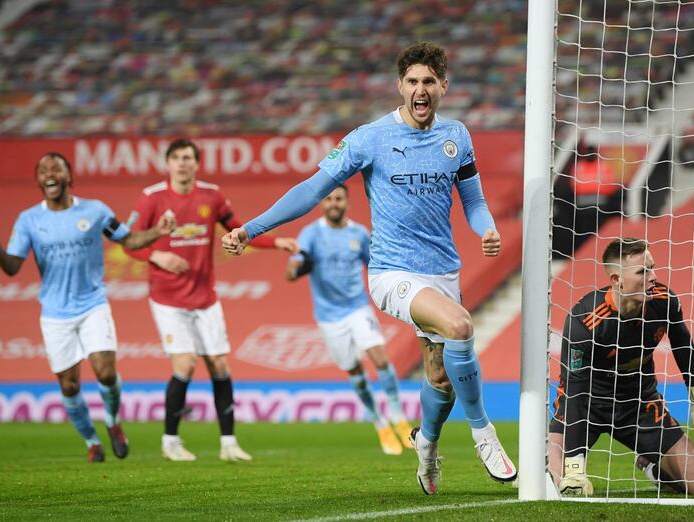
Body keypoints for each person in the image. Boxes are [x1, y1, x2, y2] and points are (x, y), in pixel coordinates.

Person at [222, 42, 517, 494]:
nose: (421, 90)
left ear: (443, 86)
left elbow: (473, 200)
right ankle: (484, 434)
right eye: (413, 82)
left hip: (442, 271)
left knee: (440, 377)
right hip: (391, 272)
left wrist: (487, 229)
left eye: (429, 82)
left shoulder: (457, 135)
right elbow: (312, 189)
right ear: (400, 86)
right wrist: (252, 228)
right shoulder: (369, 138)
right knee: (460, 326)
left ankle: (427, 445)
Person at [0, 152, 176, 462]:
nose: (49, 173)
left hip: (92, 304)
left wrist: (158, 232)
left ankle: (112, 423)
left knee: (106, 372)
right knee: (69, 386)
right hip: (56, 314)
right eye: (43, 170)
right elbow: (12, 267)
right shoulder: (29, 219)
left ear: (69, 177)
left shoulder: (95, 211)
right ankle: (91, 442)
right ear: (39, 182)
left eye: (55, 167)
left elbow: (129, 240)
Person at [126, 138, 298, 462]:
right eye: (176, 158)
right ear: (167, 164)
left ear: (196, 163)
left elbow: (237, 230)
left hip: (205, 297)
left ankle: (229, 443)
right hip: (168, 299)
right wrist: (157, 257)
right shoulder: (152, 199)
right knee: (186, 363)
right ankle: (170, 441)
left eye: (188, 157)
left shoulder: (211, 195)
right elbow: (128, 241)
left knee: (219, 365)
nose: (182, 163)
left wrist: (277, 243)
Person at [548, 238, 694, 497]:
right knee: (556, 485)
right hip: (588, 405)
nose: (653, 277)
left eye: (652, 268)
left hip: (639, 404)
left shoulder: (664, 302)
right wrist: (575, 468)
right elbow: (576, 392)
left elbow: (683, 345)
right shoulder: (584, 322)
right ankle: (548, 458)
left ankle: (652, 467)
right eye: (643, 271)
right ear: (617, 279)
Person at [286, 184, 413, 456]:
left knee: (380, 357)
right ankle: (379, 423)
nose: (334, 203)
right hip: (329, 317)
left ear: (347, 202)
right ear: (322, 203)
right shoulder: (311, 234)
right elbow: (293, 266)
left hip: (358, 307)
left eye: (339, 198)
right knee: (354, 370)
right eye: (329, 198)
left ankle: (398, 417)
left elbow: (375, 266)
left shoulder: (359, 233)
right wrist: (297, 269)